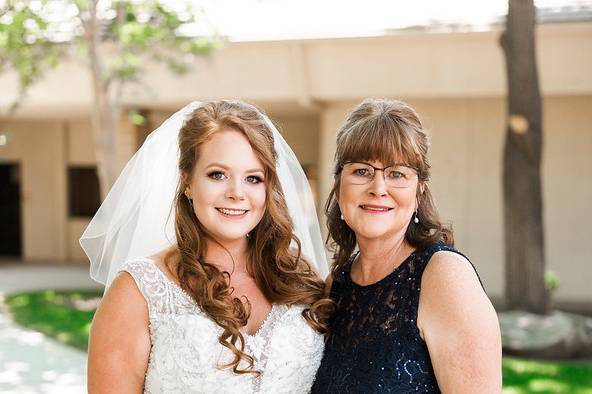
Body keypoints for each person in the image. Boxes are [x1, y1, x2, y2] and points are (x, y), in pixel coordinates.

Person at [82, 100, 331, 393]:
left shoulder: (299, 277)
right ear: (187, 182)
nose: (237, 193)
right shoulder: (138, 290)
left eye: (253, 178)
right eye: (217, 174)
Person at [311, 99, 502, 393]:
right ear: (339, 184)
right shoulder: (336, 286)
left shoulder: (443, 276)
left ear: (419, 189)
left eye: (396, 174)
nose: (378, 188)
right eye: (361, 171)